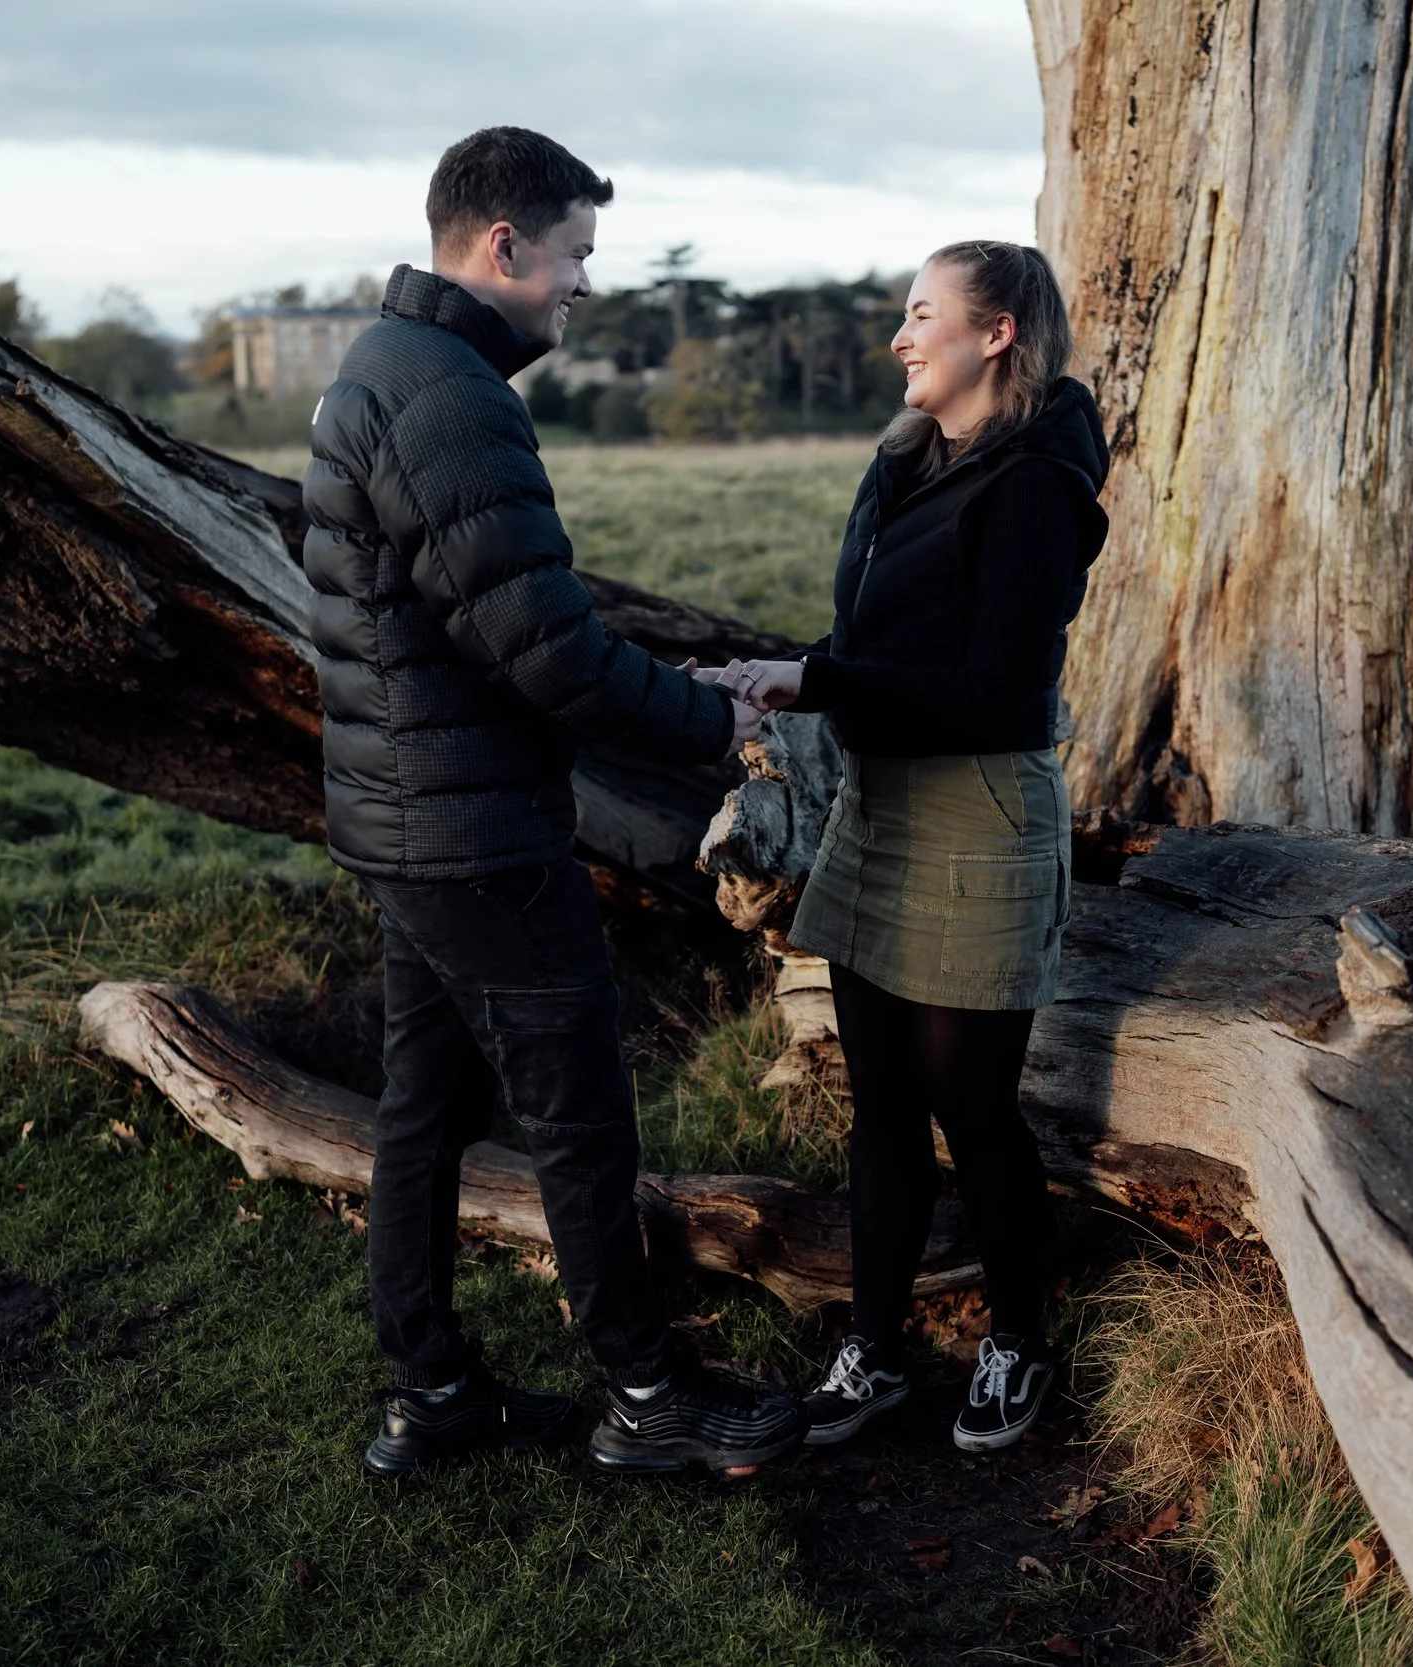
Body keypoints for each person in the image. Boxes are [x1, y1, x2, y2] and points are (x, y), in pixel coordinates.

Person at [298, 126, 806, 1478]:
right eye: (575, 252)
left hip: (413, 820)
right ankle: (646, 1393)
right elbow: (548, 653)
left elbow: (489, 623)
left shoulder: (389, 367)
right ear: (503, 244)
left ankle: (435, 1390)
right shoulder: (452, 398)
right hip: (473, 835)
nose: (585, 282)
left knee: (424, 1105)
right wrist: (717, 718)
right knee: (579, 1116)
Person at [712, 241, 1108, 1454]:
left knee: (971, 1108)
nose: (899, 333)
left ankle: (1017, 1347)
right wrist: (781, 681)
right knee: (879, 1103)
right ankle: (872, 1349)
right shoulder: (908, 463)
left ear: (995, 335)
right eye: (901, 312)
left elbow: (995, 691)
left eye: (922, 313)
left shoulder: (1034, 480)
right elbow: (874, 639)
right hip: (880, 805)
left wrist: (815, 677)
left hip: (976, 810)